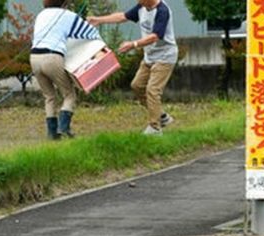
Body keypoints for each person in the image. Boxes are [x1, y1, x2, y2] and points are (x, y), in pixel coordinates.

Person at [88, 0, 178, 135]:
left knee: (152, 90)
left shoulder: (162, 11)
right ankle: (162, 116)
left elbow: (155, 37)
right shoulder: (142, 7)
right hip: (150, 56)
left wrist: (134, 44)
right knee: (137, 86)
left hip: (165, 57)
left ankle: (155, 128)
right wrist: (98, 20)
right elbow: (123, 17)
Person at [31, 0, 101, 139]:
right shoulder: (68, 15)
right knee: (69, 94)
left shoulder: (41, 14)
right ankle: (64, 128)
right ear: (65, 2)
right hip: (52, 57)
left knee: (49, 96)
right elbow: (90, 33)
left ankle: (52, 133)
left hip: (34, 57)